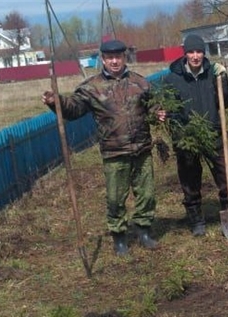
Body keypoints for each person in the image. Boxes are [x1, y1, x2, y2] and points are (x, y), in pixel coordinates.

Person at [42, 39, 158, 255]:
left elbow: (153, 106)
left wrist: (159, 113)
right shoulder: (91, 87)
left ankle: (144, 231)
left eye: (118, 57)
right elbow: (73, 109)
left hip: (142, 149)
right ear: (103, 59)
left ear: (124, 58)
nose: (114, 61)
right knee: (115, 199)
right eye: (110, 57)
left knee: (147, 194)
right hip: (114, 152)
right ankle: (120, 238)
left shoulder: (140, 83)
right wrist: (55, 101)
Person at [157, 34, 228, 236]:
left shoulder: (212, 74)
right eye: (191, 52)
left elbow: (225, 102)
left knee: (227, 177)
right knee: (190, 181)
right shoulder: (172, 79)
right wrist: (163, 113)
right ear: (185, 54)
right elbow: (168, 108)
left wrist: (224, 79)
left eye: (199, 51)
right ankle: (196, 221)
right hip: (187, 138)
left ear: (204, 52)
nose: (195, 56)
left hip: (212, 134)